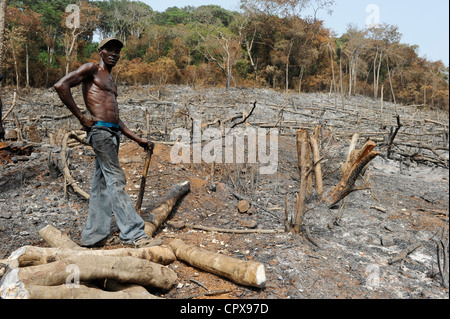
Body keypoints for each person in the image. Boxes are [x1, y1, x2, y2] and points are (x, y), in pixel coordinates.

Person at [54, 38, 154, 248]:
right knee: (116, 179)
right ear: (100, 51)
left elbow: (115, 118)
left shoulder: (110, 80)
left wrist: (138, 140)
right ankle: (134, 234)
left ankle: (93, 236)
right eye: (110, 50)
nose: (114, 54)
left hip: (112, 133)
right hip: (99, 132)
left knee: (101, 184)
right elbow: (61, 85)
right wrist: (81, 117)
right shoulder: (91, 69)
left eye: (118, 51)